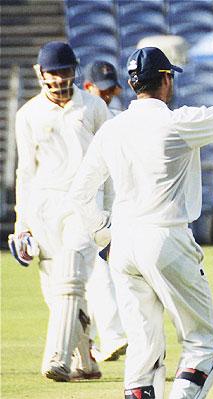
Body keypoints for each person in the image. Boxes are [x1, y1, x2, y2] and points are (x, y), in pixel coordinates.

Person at [64, 18, 213, 398]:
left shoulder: (113, 128)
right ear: (167, 80)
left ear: (131, 84)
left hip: (123, 243)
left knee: (143, 352)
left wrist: (104, 238)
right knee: (204, 345)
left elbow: (79, 193)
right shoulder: (178, 122)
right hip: (167, 238)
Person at [8, 41, 108, 382]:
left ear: (74, 70)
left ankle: (57, 358)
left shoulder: (93, 107)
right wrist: (22, 224)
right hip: (44, 210)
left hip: (86, 205)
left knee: (70, 276)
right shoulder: (27, 115)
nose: (59, 79)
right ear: (40, 73)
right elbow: (26, 173)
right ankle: (86, 362)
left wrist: (111, 213)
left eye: (64, 71)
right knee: (60, 293)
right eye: (52, 72)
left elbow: (112, 161)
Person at [82, 59, 128, 363]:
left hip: (110, 199)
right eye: (103, 90)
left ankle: (112, 336)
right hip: (85, 199)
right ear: (87, 88)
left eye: (111, 90)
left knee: (101, 269)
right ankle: (93, 341)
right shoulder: (80, 118)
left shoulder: (118, 118)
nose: (108, 95)